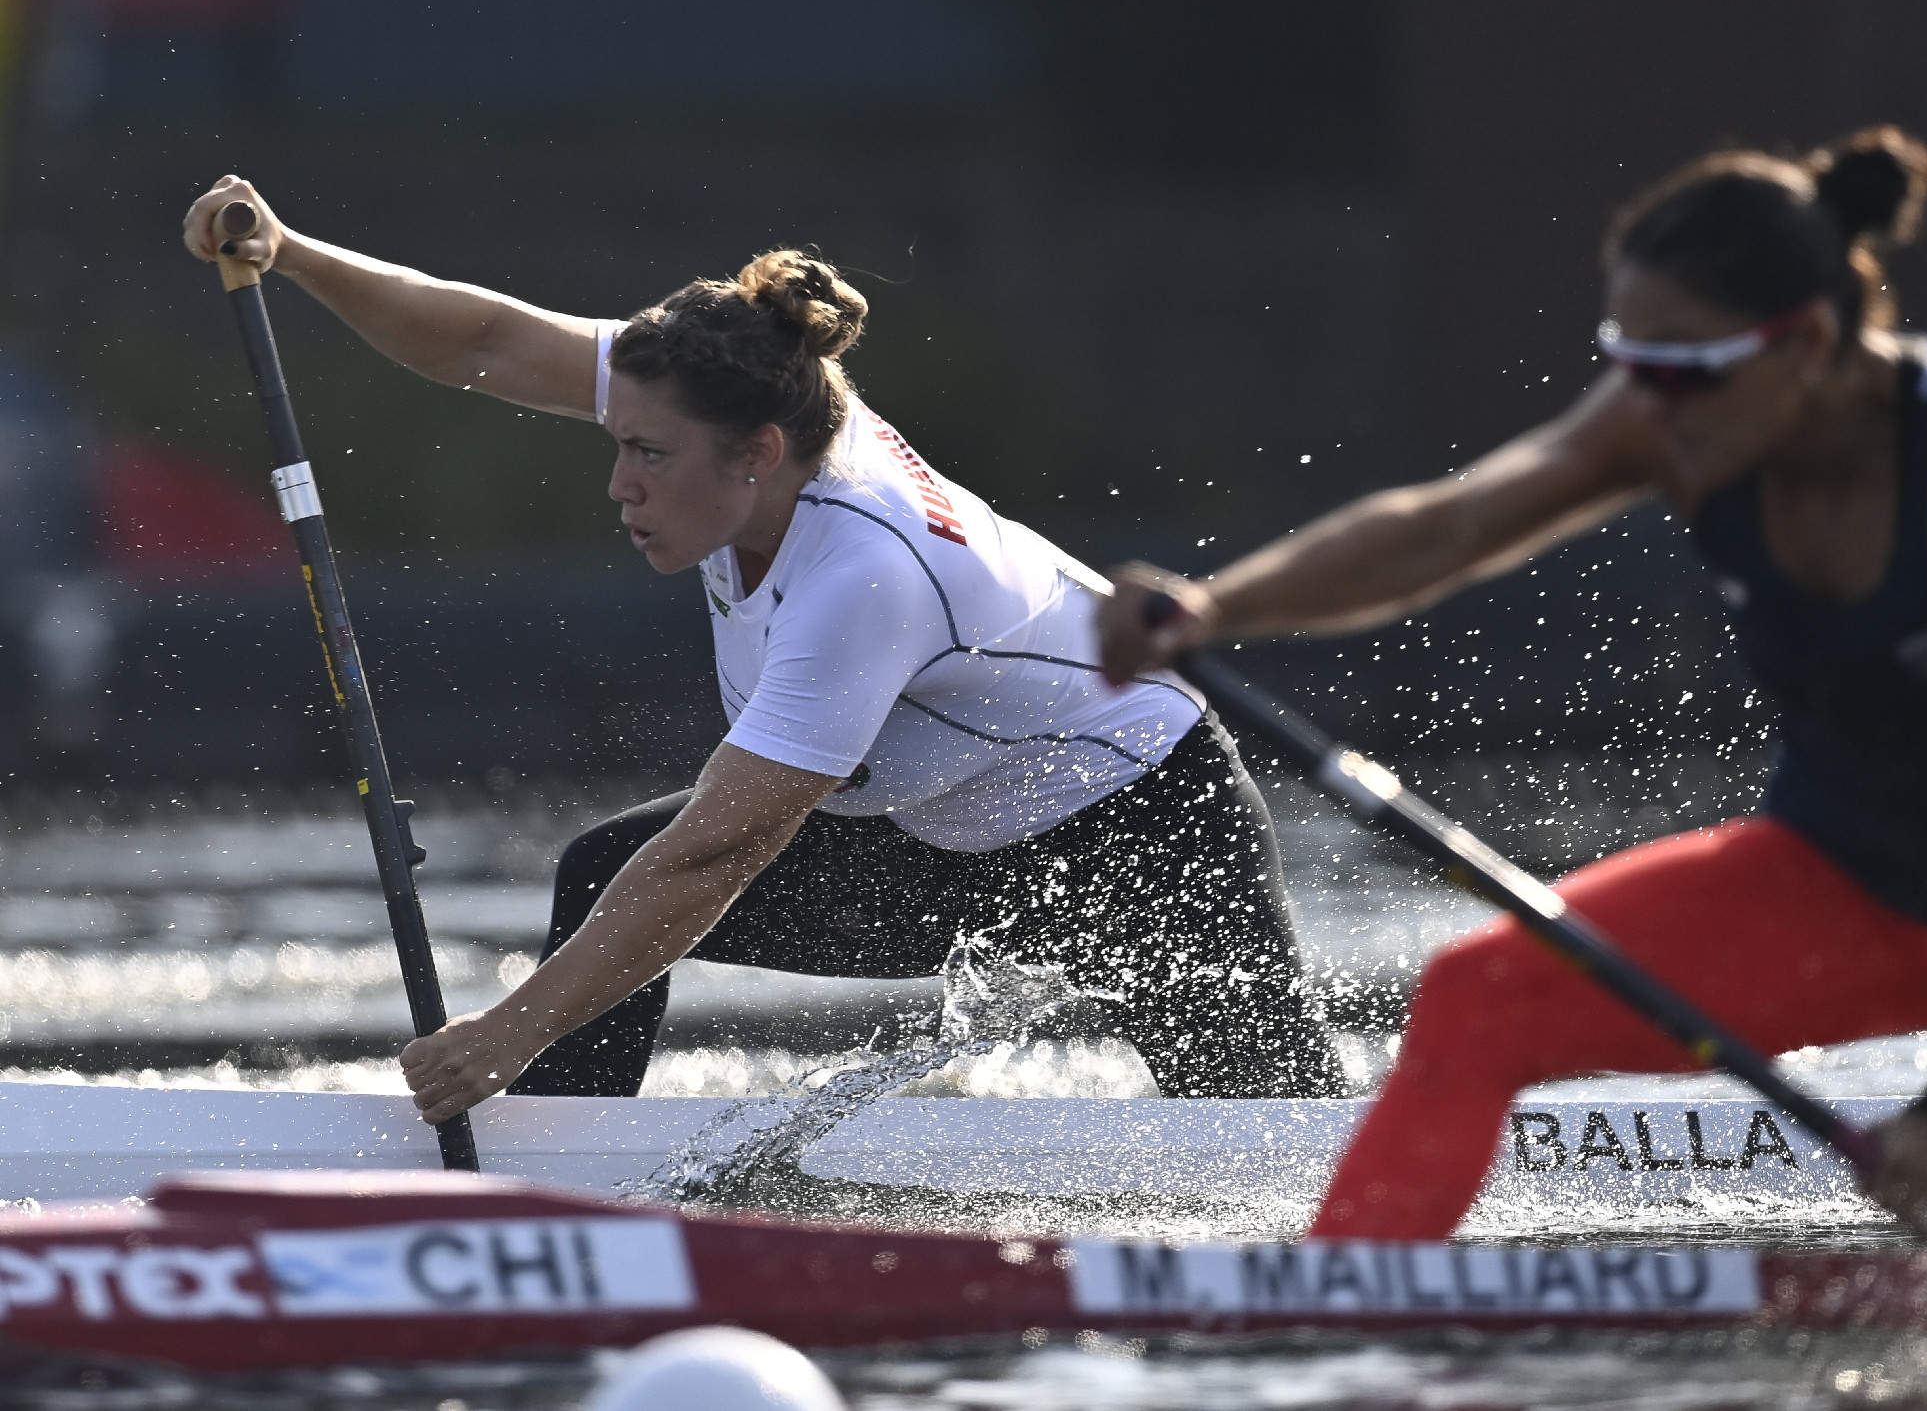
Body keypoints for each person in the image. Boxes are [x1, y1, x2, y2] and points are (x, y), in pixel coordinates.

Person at [1099, 126, 1927, 1261]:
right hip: (1843, 881)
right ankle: (1334, 1307)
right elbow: (1452, 524)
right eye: (1631, 360)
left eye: (1681, 368)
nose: (1648, 403)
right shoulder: (1680, 411)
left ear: (1807, 341)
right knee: (1477, 997)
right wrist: (1213, 607)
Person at [182, 176, 1345, 1114]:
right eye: (620, 441)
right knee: (601, 874)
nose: (618, 483)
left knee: (1287, 1148)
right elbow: (484, 337)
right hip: (944, 836)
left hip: (1141, 833)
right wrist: (293, 253)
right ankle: (558, 1181)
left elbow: (715, 854)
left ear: (756, 454)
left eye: (649, 457)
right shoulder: (715, 401)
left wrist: (506, 1027)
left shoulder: (863, 573)